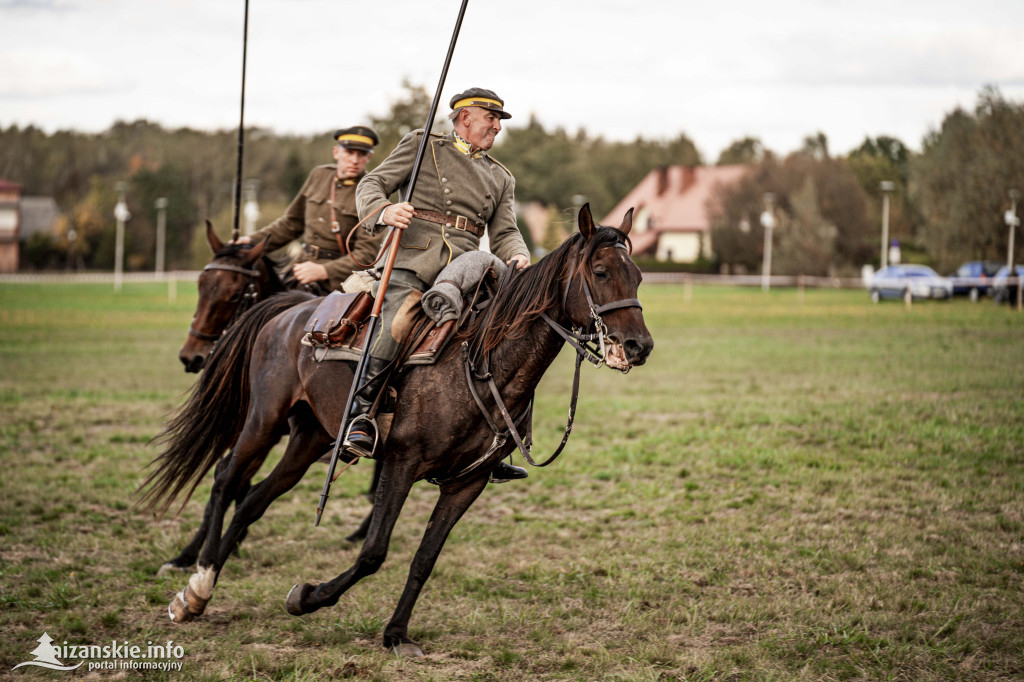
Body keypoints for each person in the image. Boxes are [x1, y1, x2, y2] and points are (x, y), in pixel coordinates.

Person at [346, 88, 531, 482]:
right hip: (415, 258)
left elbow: (506, 232)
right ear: (464, 117)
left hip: (470, 270)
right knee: (396, 321)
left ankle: (494, 438)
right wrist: (385, 210)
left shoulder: (501, 176)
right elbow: (372, 184)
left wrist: (518, 254)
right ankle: (360, 414)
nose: (497, 127)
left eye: (499, 121)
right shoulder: (423, 145)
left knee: (508, 338)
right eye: (491, 118)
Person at [236, 126, 384, 294]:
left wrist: (324, 271)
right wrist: (251, 242)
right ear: (336, 152)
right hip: (299, 269)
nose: (354, 160)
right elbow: (291, 224)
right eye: (349, 152)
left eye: (361, 154)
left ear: (369, 157)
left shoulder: (372, 193)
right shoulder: (319, 175)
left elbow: (366, 255)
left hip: (339, 282)